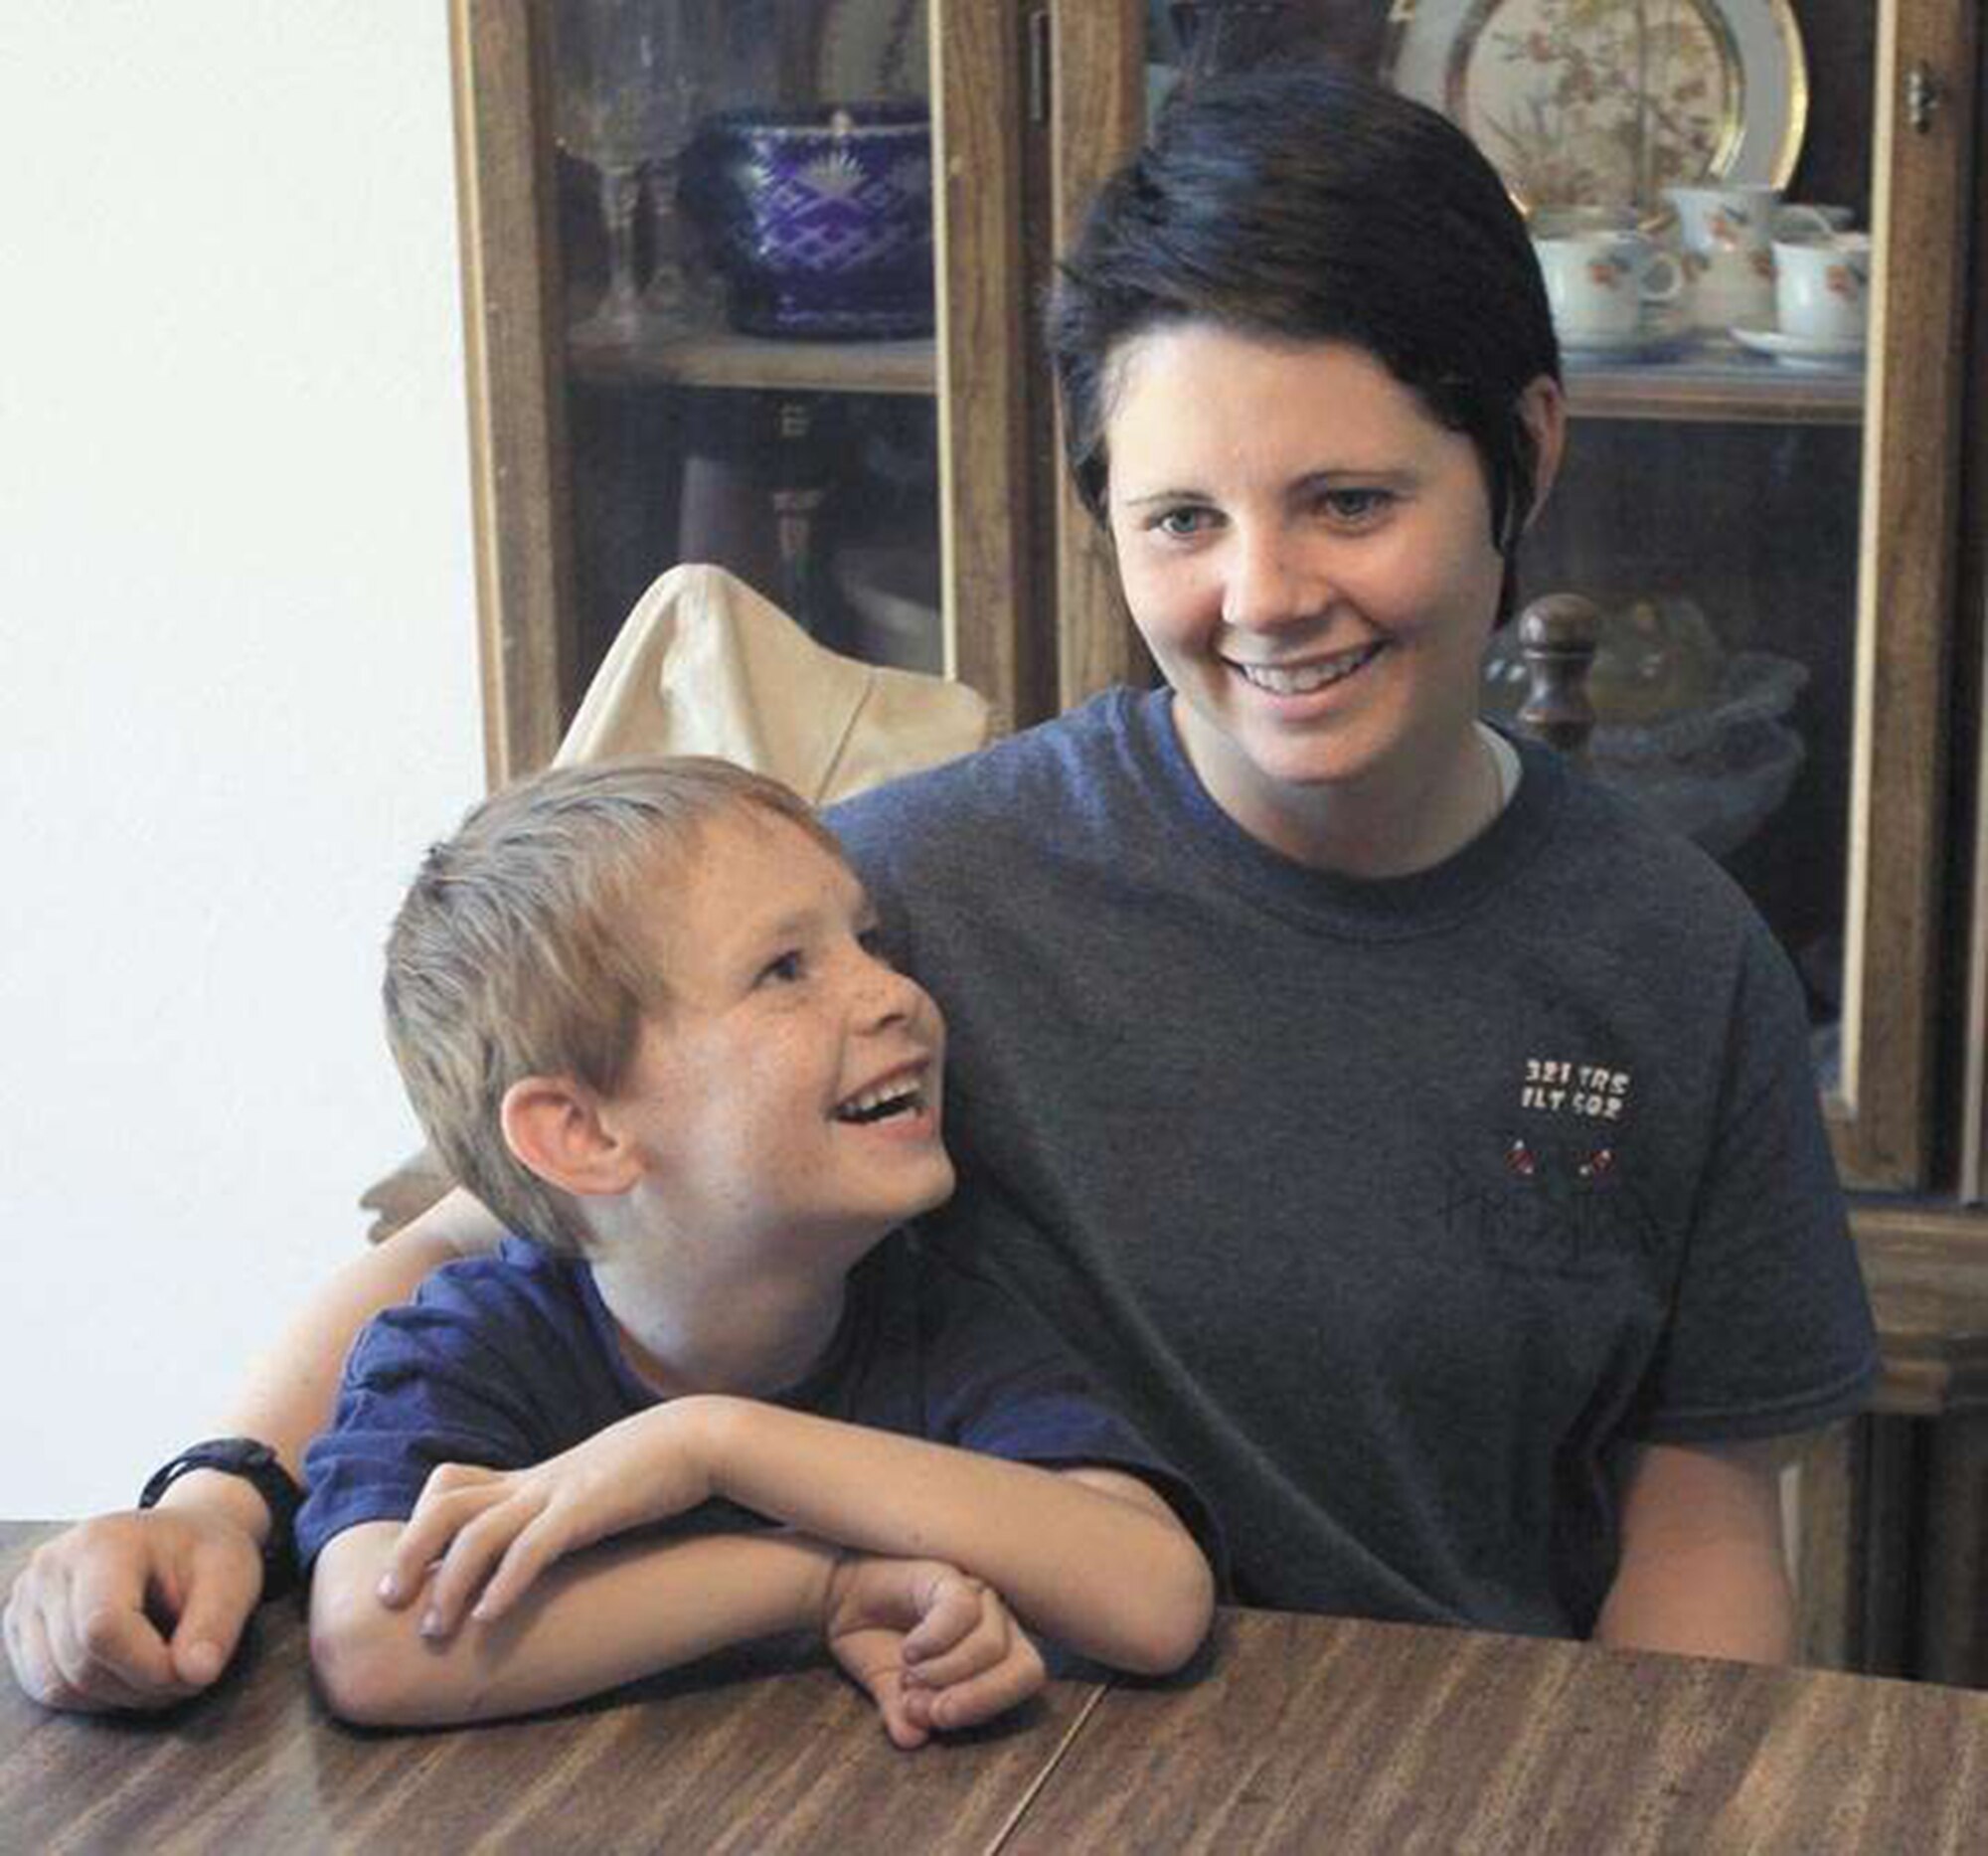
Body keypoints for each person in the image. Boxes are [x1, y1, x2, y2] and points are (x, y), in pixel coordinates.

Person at [6, 64, 1876, 1712]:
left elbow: (1704, 1521)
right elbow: (479, 1237)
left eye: (1351, 502)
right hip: (973, 1747)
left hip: (1444, 1755)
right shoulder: (905, 905)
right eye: (1181, 522)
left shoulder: (1673, 957)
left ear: (1521, 454)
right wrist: (217, 1499)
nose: (1264, 595)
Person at [299, 756, 1213, 1733]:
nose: (893, 993)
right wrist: (812, 1585)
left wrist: (713, 1443)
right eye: (784, 968)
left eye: (868, 941)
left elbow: (1154, 1598)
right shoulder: (467, 1348)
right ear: (584, 1134)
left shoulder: (934, 1321)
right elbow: (375, 1645)